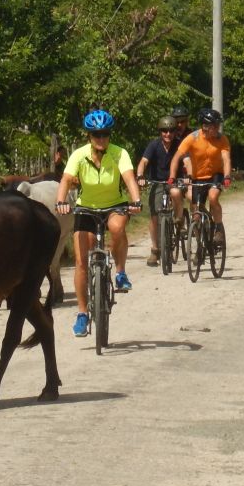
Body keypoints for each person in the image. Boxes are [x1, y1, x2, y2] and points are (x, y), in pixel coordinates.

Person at [54, 109, 143, 337]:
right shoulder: (78, 155)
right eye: (96, 134)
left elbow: (129, 179)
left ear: (110, 134)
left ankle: (121, 273)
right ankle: (82, 314)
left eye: (105, 134)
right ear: (89, 136)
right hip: (86, 208)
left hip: (115, 205)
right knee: (82, 261)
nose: (101, 138)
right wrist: (60, 201)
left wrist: (136, 200)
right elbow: (65, 180)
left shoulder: (119, 153)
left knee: (116, 228)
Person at [168, 107, 232, 246]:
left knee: (214, 197)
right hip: (198, 178)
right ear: (205, 126)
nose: (218, 129)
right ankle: (200, 245)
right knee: (196, 213)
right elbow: (176, 158)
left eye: (218, 125)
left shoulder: (222, 139)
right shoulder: (192, 138)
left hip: (216, 175)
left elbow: (226, 159)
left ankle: (218, 228)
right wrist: (172, 177)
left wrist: (227, 176)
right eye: (215, 126)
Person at [136, 115, 184, 267]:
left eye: (170, 131)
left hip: (174, 181)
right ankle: (155, 249)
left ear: (175, 131)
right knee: (154, 216)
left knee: (176, 193)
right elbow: (143, 162)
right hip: (157, 182)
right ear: (160, 132)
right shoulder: (154, 145)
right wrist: (140, 175)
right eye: (164, 131)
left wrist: (188, 176)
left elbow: (188, 161)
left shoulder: (179, 144)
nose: (167, 134)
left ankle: (178, 219)